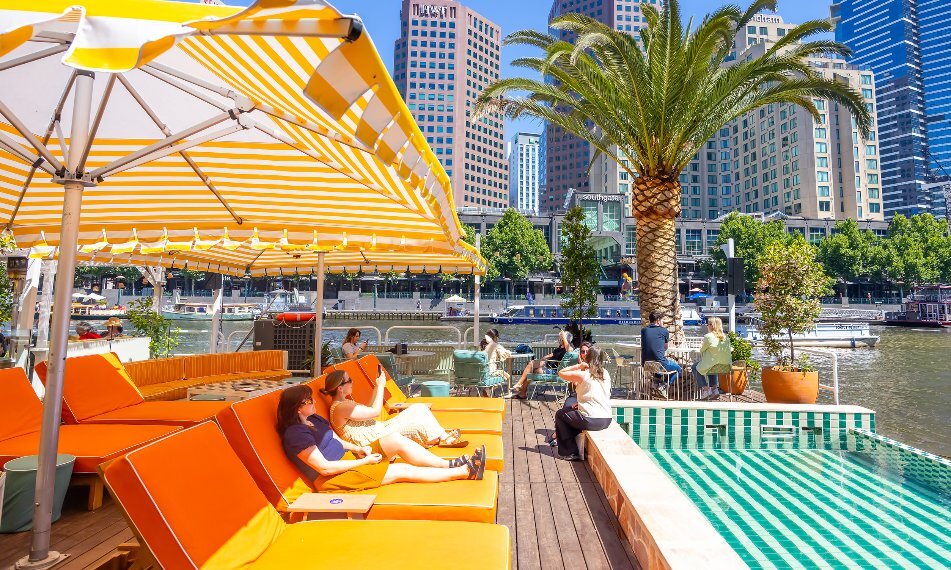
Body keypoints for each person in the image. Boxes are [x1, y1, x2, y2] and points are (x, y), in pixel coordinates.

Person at [279, 385, 485, 493]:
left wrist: (357, 449)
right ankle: (466, 471)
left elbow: (332, 437)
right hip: (333, 478)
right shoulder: (296, 434)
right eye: (309, 400)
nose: (314, 401)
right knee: (400, 470)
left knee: (395, 439)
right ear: (298, 407)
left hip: (349, 459)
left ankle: (449, 464)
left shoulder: (313, 418)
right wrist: (363, 461)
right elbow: (324, 468)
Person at [326, 369, 466, 449]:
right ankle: (443, 439)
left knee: (419, 408)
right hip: (373, 439)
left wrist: (376, 386)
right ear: (340, 388)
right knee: (416, 423)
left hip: (377, 429)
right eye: (349, 380)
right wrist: (381, 386)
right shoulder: (341, 408)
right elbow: (374, 412)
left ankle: (443, 437)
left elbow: (368, 409)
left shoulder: (344, 403)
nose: (352, 382)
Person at [552, 345, 612, 460]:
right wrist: (580, 405)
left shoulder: (583, 374)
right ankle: (577, 446)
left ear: (588, 358)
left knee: (560, 414)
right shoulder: (606, 374)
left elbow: (561, 372)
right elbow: (596, 394)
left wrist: (579, 366)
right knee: (571, 412)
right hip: (606, 419)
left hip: (591, 420)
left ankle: (570, 452)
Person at [506, 328, 573, 399]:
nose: (558, 339)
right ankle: (522, 392)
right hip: (549, 366)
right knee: (531, 367)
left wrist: (564, 337)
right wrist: (540, 360)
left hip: (555, 371)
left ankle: (520, 385)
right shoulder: (561, 347)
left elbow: (569, 350)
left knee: (531, 366)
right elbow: (551, 355)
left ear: (564, 339)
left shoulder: (570, 347)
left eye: (560, 338)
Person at [641, 311, 681, 400]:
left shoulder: (644, 330)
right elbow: (665, 347)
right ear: (658, 321)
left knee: (658, 369)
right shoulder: (664, 331)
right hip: (660, 363)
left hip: (645, 364)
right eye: (662, 320)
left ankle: (655, 383)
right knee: (678, 369)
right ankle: (663, 386)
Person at [692, 317, 732, 401]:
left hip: (712, 365)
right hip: (725, 366)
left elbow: (702, 350)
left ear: (712, 326)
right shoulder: (726, 337)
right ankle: (714, 389)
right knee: (712, 366)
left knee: (695, 367)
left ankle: (706, 390)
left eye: (708, 324)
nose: (707, 326)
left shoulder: (708, 336)